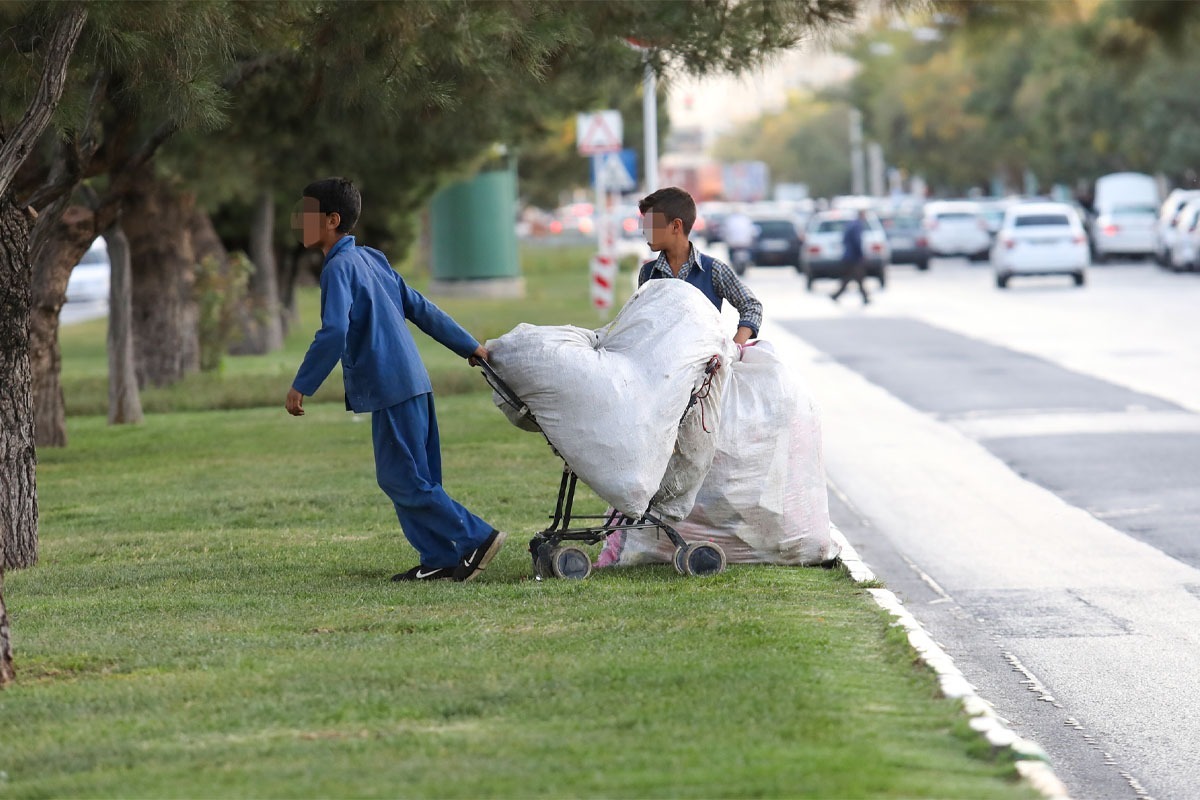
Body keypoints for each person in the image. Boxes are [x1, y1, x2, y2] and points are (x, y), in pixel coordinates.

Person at [285, 177, 506, 582]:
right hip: (415, 383)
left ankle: (477, 537)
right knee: (417, 478)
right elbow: (419, 307)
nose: (298, 222)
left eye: (306, 214)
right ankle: (438, 558)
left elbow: (334, 331)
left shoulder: (339, 267)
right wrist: (468, 345)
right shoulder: (371, 258)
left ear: (332, 220)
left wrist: (303, 384)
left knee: (399, 478)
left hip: (389, 385)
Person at [637, 187, 762, 345]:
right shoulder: (648, 274)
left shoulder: (713, 270)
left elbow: (752, 306)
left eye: (652, 225)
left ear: (676, 226)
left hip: (704, 367)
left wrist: (733, 349)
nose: (645, 232)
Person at [831, 209, 870, 304]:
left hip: (847, 256)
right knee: (858, 277)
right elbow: (857, 242)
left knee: (849, 278)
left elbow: (844, 240)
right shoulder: (857, 226)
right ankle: (864, 297)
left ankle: (837, 295)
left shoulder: (850, 225)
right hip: (854, 257)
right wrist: (860, 254)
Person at [720, 208, 756, 274]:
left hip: (734, 243)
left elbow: (724, 231)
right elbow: (753, 231)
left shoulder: (730, 220)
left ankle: (733, 262)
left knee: (731, 253)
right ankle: (750, 261)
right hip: (744, 243)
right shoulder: (746, 219)